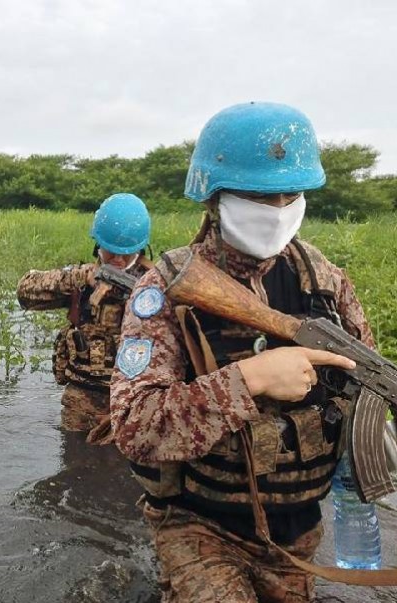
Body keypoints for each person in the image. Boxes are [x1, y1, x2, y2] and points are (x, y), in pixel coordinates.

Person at [110, 102, 373, 602]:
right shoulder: (166, 290)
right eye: (256, 194)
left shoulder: (326, 284)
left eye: (289, 194)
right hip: (200, 523)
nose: (276, 209)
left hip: (297, 529)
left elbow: (362, 387)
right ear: (214, 197)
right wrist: (249, 380)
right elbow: (135, 427)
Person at [17, 193, 152, 442]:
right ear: (98, 245)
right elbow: (25, 292)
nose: (119, 260)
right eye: (111, 253)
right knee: (75, 464)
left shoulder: (155, 285)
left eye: (127, 253)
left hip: (133, 402)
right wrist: (80, 278)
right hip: (81, 402)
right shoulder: (83, 279)